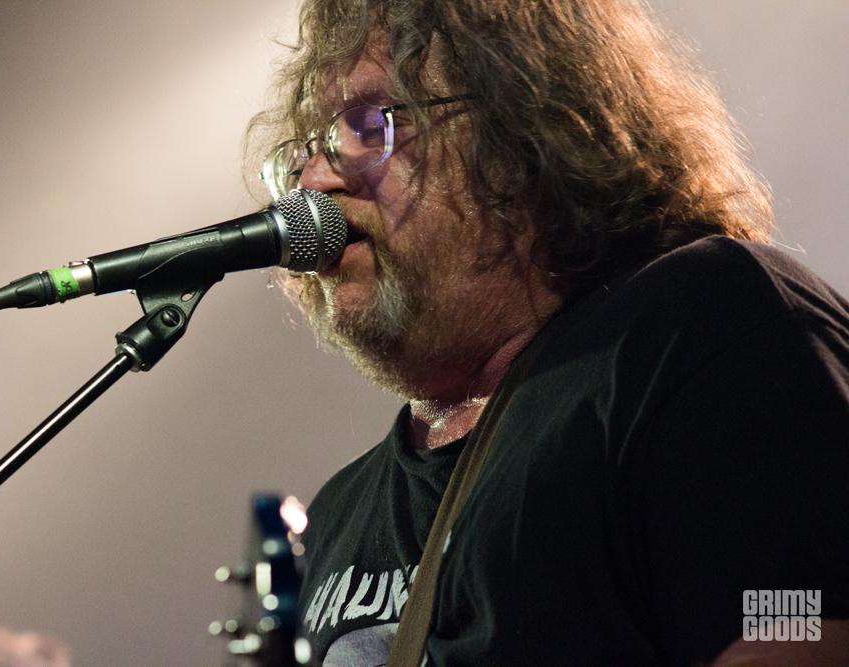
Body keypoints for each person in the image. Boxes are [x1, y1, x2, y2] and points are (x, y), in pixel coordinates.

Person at [250, 0, 849, 664]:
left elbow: (796, 627)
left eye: (366, 124)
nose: (312, 182)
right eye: (305, 151)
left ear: (520, 130)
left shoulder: (706, 326)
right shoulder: (338, 516)